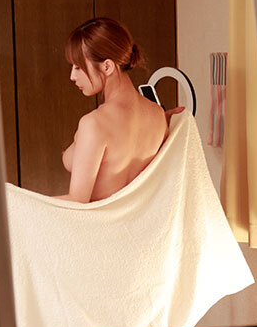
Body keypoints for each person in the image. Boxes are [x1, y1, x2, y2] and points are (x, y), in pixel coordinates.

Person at [54, 16, 185, 203]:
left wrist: (17, 204)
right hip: (138, 221)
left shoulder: (94, 124)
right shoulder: (157, 115)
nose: (72, 76)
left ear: (107, 66)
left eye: (78, 67)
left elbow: (77, 201)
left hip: (100, 222)